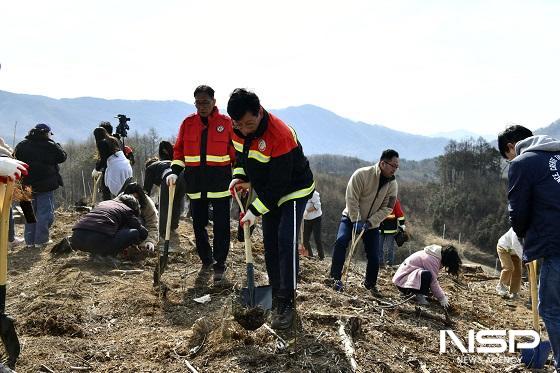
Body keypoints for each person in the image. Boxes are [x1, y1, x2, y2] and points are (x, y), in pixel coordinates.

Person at [228, 88, 315, 330]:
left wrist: (254, 211)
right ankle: (276, 294)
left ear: (259, 112)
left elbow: (280, 184)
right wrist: (239, 176)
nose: (244, 130)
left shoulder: (280, 134)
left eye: (249, 123)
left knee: (286, 240)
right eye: (239, 125)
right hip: (268, 190)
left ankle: (287, 300)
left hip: (294, 189)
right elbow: (241, 157)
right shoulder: (237, 128)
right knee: (270, 245)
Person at [498, 124, 560, 370]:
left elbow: (518, 211)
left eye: (508, 157)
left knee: (552, 308)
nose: (511, 160)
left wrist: (525, 239)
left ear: (511, 147)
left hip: (556, 245)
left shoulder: (523, 163)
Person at [166, 85, 234, 283]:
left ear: (214, 102)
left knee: (221, 225)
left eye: (205, 102)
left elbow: (235, 153)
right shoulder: (188, 123)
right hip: (195, 183)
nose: (202, 106)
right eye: (198, 102)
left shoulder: (226, 123)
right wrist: (174, 172)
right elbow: (179, 151)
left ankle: (220, 263)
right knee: (198, 224)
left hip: (220, 182)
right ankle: (206, 259)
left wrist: (241, 176)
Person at [329, 149, 399, 296]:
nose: (395, 169)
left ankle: (370, 284)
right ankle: (334, 278)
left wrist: (370, 222)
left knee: (374, 255)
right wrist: (356, 219)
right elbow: (351, 198)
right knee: (341, 242)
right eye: (393, 165)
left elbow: (388, 208)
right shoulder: (362, 174)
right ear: (382, 163)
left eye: (396, 167)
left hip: (371, 224)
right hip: (350, 218)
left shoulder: (392, 184)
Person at [14, 124, 67, 248]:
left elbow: (15, 158)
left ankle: (29, 241)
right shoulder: (50, 145)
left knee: (29, 213)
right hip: (45, 184)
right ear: (47, 133)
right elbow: (62, 157)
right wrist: (56, 144)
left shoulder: (22, 145)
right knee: (44, 213)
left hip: (26, 184)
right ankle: (41, 240)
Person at [70, 194, 148, 256]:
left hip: (77, 238)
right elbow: (142, 232)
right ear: (133, 206)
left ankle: (96, 253)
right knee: (134, 232)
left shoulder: (103, 203)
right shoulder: (127, 210)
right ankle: (107, 256)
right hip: (97, 242)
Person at [392, 244, 460, 307]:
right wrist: (442, 298)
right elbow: (433, 282)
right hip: (402, 281)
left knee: (427, 275)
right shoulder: (431, 260)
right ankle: (419, 295)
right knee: (426, 275)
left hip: (404, 280)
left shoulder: (434, 255)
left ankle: (411, 293)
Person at [144, 141, 186, 237]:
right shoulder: (168, 163)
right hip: (183, 177)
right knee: (176, 203)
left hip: (169, 177)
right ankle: (173, 227)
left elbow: (146, 191)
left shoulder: (150, 168)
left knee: (164, 205)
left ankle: (162, 231)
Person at [0, 137, 27, 246]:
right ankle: (12, 238)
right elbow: (12, 156)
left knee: (28, 207)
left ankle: (30, 238)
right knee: (26, 207)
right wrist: (3, 145)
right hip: (26, 181)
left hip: (25, 182)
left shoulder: (23, 144)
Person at [91, 127, 132, 197]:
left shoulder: (102, 143)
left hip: (116, 168)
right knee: (125, 192)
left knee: (118, 193)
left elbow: (103, 159)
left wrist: (96, 169)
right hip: (126, 166)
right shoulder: (114, 139)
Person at [121, 182, 158, 254]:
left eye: (137, 198)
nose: (135, 200)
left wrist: (150, 241)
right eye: (132, 198)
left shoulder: (148, 204)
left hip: (142, 227)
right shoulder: (120, 200)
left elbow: (153, 224)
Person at [496, 228, 523, 299]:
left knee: (518, 272)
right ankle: (501, 286)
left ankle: (514, 292)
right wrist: (525, 258)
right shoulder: (517, 229)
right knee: (509, 267)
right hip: (504, 248)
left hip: (514, 252)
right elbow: (516, 244)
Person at [379, 198, 406, 266]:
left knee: (385, 247)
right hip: (382, 228)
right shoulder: (379, 197)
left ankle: (387, 263)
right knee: (385, 247)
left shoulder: (393, 200)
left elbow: (399, 212)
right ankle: (383, 263)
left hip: (387, 228)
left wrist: (402, 223)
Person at [302, 190, 325, 260]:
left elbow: (317, 205)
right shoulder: (301, 194)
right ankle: (309, 256)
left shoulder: (314, 194)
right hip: (306, 219)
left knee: (317, 238)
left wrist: (307, 211)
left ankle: (321, 257)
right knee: (305, 239)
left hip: (316, 219)